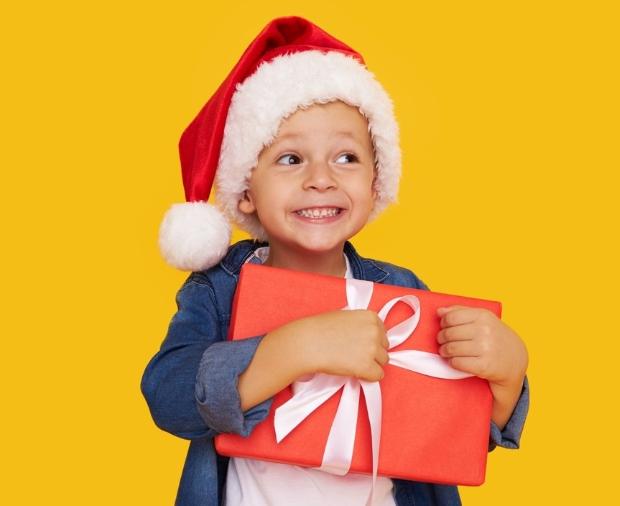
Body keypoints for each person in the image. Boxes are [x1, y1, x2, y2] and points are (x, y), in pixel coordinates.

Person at [141, 16, 530, 506]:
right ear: (245, 190)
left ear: (375, 181)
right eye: (290, 159)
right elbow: (168, 397)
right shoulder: (219, 289)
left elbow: (447, 435)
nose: (321, 179)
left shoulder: (402, 293)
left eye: (346, 158)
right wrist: (289, 351)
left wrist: (507, 376)